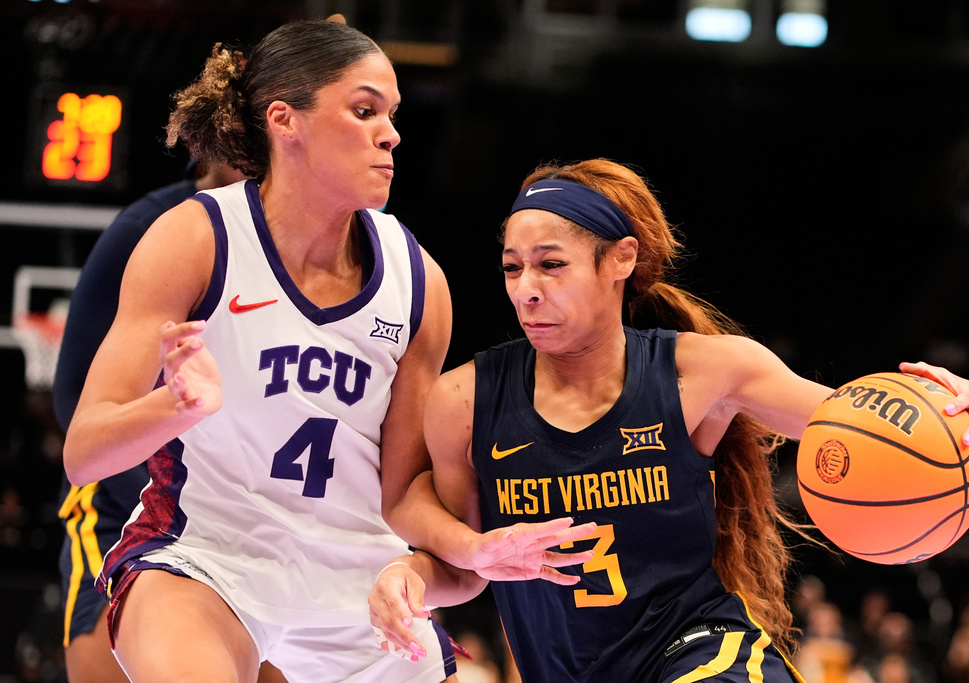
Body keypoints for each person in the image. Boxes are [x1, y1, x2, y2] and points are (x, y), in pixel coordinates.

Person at [61, 19, 584, 683]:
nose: (390, 133)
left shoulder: (417, 281)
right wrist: (175, 406)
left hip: (357, 585)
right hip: (207, 558)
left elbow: (405, 498)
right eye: (365, 110)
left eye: (391, 114)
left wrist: (474, 549)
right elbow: (84, 452)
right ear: (287, 121)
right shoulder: (195, 237)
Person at [368, 158, 969, 682]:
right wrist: (407, 574)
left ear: (619, 260)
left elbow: (864, 426)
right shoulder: (464, 400)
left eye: (551, 264)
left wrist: (964, 415)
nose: (526, 288)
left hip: (701, 650)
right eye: (512, 267)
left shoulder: (704, 373)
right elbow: (466, 566)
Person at [52, 158, 292, 683]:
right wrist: (171, 493)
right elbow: (77, 404)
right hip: (132, 504)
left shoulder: (332, 244)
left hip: (259, 527)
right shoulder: (160, 229)